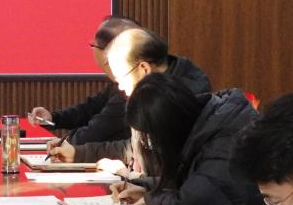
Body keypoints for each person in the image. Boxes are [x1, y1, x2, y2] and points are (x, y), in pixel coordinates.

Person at [108, 73, 293, 205]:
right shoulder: (210, 122)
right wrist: (146, 187)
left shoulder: (228, 142)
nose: (151, 146)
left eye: (149, 139)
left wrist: (150, 199)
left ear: (166, 131)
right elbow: (197, 182)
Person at [48, 27, 211, 163]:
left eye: (121, 78)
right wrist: (79, 153)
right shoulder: (160, 88)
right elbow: (137, 148)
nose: (119, 86)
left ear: (144, 69)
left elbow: (169, 170)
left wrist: (136, 181)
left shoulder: (177, 100)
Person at [27, 16, 139, 146]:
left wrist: (63, 143)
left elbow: (94, 133)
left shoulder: (133, 87)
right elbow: (89, 108)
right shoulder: (119, 83)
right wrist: (53, 118)